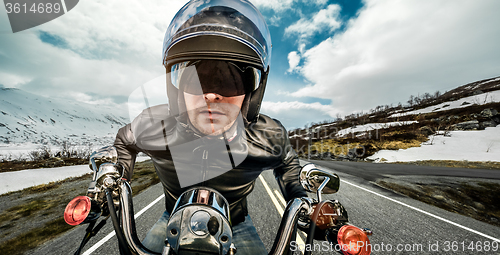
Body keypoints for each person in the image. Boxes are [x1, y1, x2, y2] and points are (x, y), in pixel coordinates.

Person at [113, 0, 307, 253]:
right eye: (197, 79)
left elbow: (288, 163)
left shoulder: (269, 136)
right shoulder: (152, 125)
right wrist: (117, 179)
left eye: (231, 80)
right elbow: (124, 140)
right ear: (176, 88)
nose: (212, 95)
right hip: (171, 218)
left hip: (236, 224)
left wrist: (300, 198)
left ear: (251, 93)